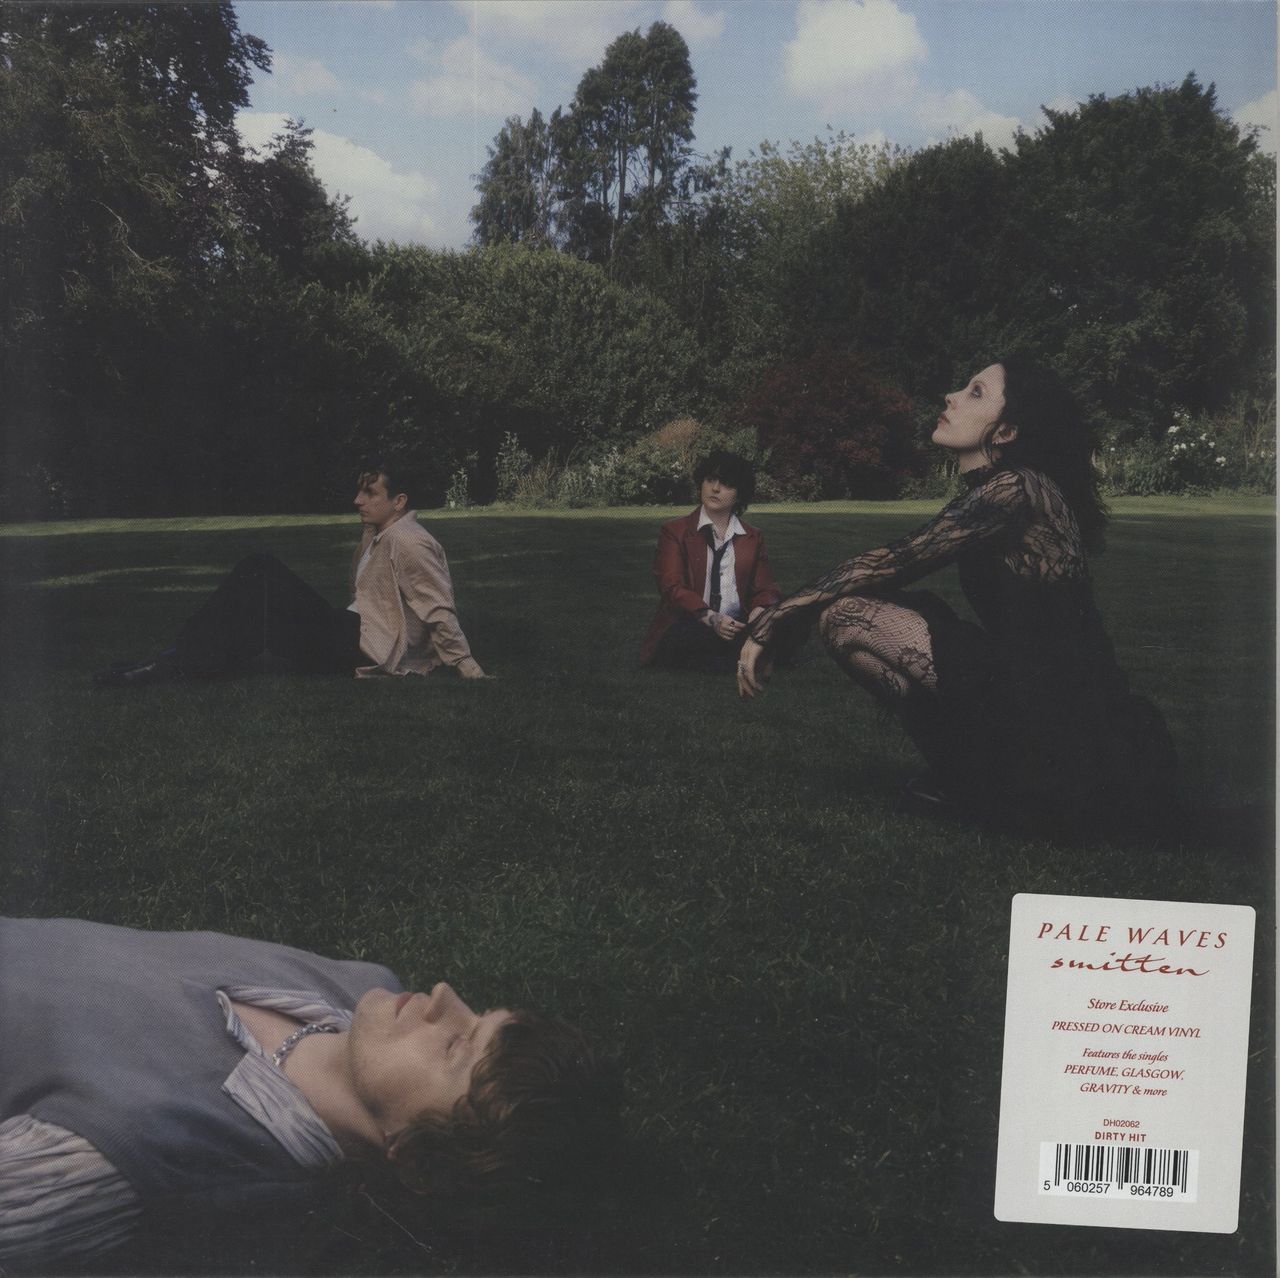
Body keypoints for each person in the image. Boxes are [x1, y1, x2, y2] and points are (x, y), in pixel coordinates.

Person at [0, 916, 621, 1272]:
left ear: (416, 1157)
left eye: (456, 1046)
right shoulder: (355, 989)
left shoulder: (153, 1148)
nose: (442, 995)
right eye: (477, 1012)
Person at [736, 357, 1178, 834]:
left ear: (1005, 432)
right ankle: (972, 781)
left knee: (850, 616)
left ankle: (995, 788)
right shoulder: (1000, 488)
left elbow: (893, 562)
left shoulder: (1016, 488)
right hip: (1034, 693)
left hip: (1071, 721)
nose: (951, 396)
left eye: (976, 392)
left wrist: (775, 620)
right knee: (844, 622)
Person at [94, 460, 489, 685]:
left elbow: (437, 607)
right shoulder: (382, 534)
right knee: (257, 593)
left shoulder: (409, 541)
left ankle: (169, 664)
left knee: (261, 572)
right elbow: (365, 591)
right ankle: (174, 661)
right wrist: (369, 533)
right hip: (352, 631)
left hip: (361, 647)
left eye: (370, 494)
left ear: (399, 501)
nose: (357, 500)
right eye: (359, 492)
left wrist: (466, 665)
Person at [640, 450, 785, 673]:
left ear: (739, 495)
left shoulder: (752, 536)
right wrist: (711, 618)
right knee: (687, 639)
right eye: (710, 480)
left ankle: (746, 653)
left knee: (786, 616)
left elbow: (765, 588)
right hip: (693, 620)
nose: (715, 488)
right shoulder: (674, 531)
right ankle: (753, 657)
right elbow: (672, 587)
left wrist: (759, 611)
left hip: (736, 623)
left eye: (726, 484)